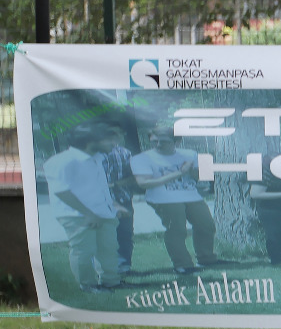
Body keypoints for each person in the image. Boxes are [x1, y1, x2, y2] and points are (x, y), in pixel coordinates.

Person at [43, 125, 126, 293]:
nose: (115, 143)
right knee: (84, 251)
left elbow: (99, 187)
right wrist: (88, 214)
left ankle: (111, 282)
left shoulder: (97, 158)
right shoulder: (63, 161)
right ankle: (88, 285)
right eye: (110, 139)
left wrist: (113, 205)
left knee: (108, 249)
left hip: (103, 213)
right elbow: (61, 191)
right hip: (77, 215)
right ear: (91, 141)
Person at [131, 125, 221, 275]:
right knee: (177, 229)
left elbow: (200, 176)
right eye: (155, 141)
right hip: (163, 198)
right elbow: (144, 183)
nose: (158, 145)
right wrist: (180, 172)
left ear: (177, 142)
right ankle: (183, 264)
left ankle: (206, 258)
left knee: (206, 225)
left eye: (164, 141)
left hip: (190, 195)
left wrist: (191, 170)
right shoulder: (141, 158)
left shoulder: (189, 154)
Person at [92, 123, 138, 273]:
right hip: (99, 201)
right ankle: (103, 268)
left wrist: (115, 184)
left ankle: (124, 265)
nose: (114, 138)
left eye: (117, 134)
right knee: (101, 236)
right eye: (110, 135)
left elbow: (134, 177)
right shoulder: (91, 155)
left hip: (123, 199)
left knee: (125, 234)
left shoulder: (125, 154)